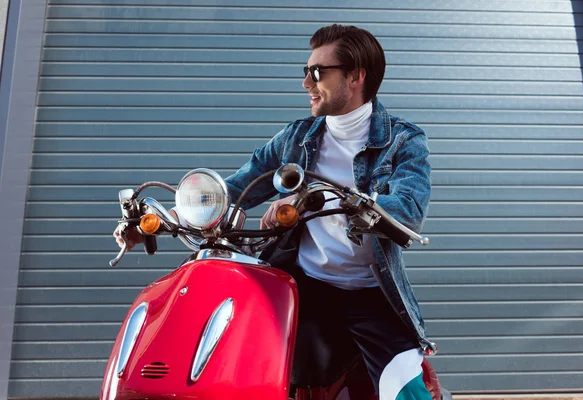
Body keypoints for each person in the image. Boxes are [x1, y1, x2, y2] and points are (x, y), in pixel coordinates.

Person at [115, 24, 434, 400]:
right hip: (300, 286)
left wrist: (312, 197)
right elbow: (235, 190)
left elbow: (408, 210)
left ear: (355, 76)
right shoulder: (296, 137)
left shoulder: (402, 141)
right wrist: (162, 219)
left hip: (368, 295)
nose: (306, 83)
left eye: (317, 72)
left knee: (407, 392)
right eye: (305, 72)